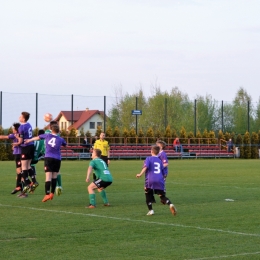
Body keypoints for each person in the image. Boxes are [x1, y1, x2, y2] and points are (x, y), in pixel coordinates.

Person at [25, 124, 67, 202]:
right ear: (58, 131)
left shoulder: (47, 135)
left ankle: (47, 194)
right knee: (54, 177)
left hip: (49, 158)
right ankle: (52, 193)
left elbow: (37, 137)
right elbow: (65, 145)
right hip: (57, 159)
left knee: (48, 177)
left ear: (51, 130)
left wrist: (28, 140)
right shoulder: (61, 139)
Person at [136, 145, 177, 216]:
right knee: (161, 196)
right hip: (159, 179)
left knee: (147, 193)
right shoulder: (160, 161)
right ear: (158, 153)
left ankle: (151, 210)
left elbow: (145, 167)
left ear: (151, 151)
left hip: (150, 179)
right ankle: (170, 204)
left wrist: (140, 174)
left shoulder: (148, 158)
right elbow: (163, 173)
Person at [13, 112, 38, 197]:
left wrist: (15, 144)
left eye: (20, 116)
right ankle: (34, 181)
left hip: (25, 147)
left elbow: (20, 141)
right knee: (28, 166)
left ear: (23, 119)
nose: (19, 117)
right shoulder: (29, 125)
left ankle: (27, 184)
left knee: (23, 167)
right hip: (31, 146)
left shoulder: (21, 127)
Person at [0, 122, 23, 195]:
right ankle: (21, 188)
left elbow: (3, 137)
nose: (12, 129)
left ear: (16, 130)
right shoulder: (22, 135)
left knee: (20, 173)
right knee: (20, 173)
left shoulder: (15, 135)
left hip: (18, 155)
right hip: (22, 154)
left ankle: (23, 188)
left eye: (13, 128)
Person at [45, 120, 63, 195]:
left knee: (48, 175)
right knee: (57, 172)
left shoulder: (46, 133)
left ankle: (48, 192)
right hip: (56, 155)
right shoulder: (57, 134)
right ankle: (59, 186)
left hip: (48, 154)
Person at [29, 129, 45, 193]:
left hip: (29, 158)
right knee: (33, 172)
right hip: (35, 159)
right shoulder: (44, 141)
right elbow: (43, 152)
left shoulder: (34, 139)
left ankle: (24, 188)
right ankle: (32, 188)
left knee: (23, 173)